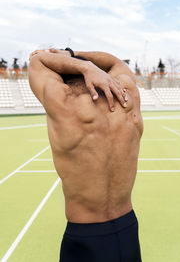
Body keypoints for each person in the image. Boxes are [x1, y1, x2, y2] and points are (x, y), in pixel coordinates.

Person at [29, 47, 143, 262]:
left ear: (63, 77)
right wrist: (72, 54)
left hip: (85, 238)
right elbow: (115, 62)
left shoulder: (62, 101)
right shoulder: (128, 96)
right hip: (127, 229)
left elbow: (37, 62)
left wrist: (83, 66)